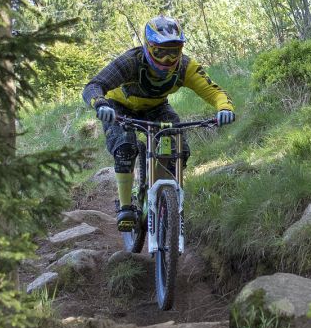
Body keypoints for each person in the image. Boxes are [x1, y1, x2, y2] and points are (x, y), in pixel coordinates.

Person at [82, 15, 236, 231]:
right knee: (125, 147)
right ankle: (126, 207)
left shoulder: (185, 67)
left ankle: (165, 197)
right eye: (160, 51)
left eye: (173, 51)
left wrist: (225, 109)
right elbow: (94, 85)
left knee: (177, 150)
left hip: (156, 107)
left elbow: (214, 91)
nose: (166, 59)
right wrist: (100, 104)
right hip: (118, 108)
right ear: (148, 46)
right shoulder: (131, 62)